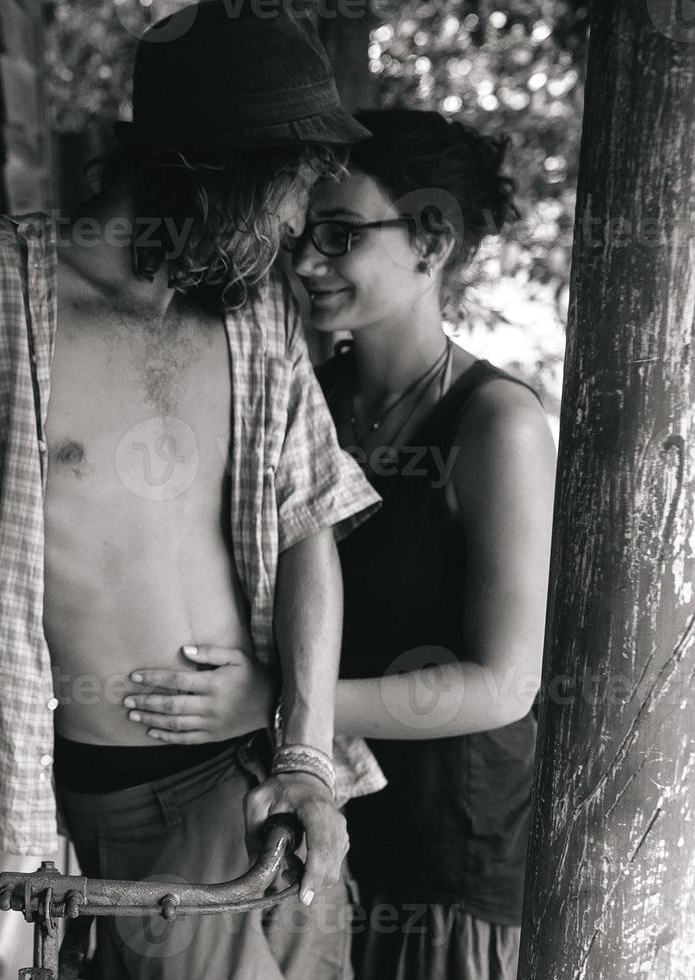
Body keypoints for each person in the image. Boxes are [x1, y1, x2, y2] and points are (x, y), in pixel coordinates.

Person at [0, 5, 384, 977]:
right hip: (141, 794)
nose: (299, 224)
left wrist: (302, 754)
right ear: (217, 171)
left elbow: (308, 521)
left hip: (274, 769)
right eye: (292, 186)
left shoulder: (253, 310)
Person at [123, 108, 555, 979]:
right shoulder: (308, 394)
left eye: (342, 234)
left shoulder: (497, 425)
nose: (307, 260)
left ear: (431, 243)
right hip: (309, 823)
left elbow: (508, 684)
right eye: (304, 233)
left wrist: (284, 706)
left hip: (448, 856)